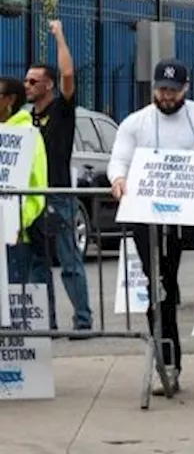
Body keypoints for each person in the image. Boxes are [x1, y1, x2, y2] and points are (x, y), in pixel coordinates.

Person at [107, 59, 194, 394]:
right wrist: (118, 179)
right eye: (161, 89)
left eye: (172, 90)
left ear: (185, 89)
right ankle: (167, 363)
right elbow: (119, 159)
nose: (166, 96)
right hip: (153, 216)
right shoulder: (135, 123)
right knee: (159, 288)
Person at [23, 20, 93, 334]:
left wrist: (59, 35)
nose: (27, 86)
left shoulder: (62, 110)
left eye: (33, 81)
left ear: (48, 85)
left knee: (68, 261)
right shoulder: (25, 117)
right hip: (31, 197)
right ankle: (43, 321)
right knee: (37, 262)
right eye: (26, 81)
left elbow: (67, 74)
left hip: (59, 194)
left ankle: (82, 320)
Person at [2, 78, 49, 298]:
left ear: (10, 100)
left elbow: (37, 186)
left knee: (12, 301)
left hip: (15, 235)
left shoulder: (28, 134)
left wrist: (20, 222)